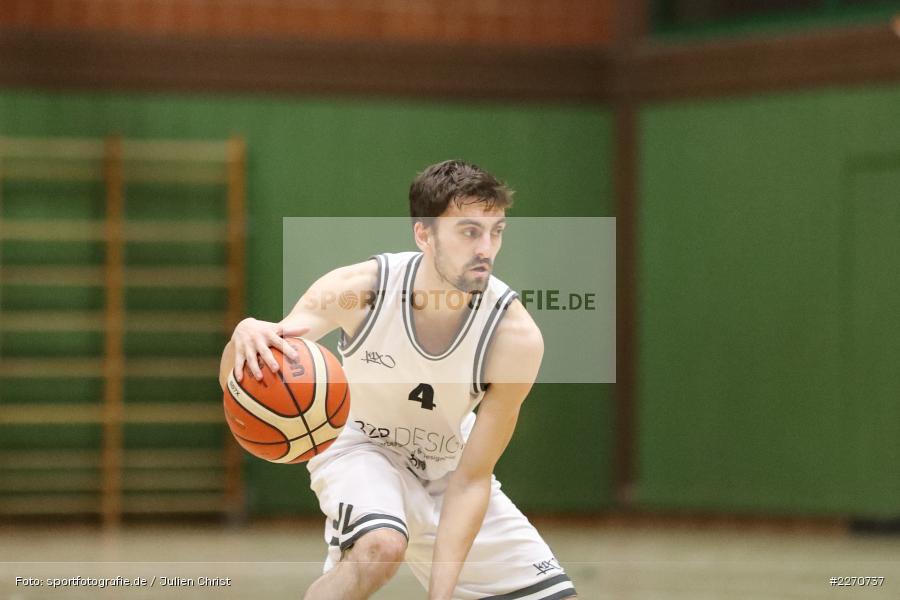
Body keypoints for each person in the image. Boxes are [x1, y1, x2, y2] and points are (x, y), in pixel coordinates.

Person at [219, 160, 577, 600]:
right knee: (380, 549)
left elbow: (472, 479)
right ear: (423, 234)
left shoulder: (515, 338)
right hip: (361, 445)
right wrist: (242, 338)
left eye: (496, 231)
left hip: (450, 465)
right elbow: (251, 375)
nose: (486, 247)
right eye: (469, 232)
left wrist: (440, 596)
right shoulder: (357, 290)